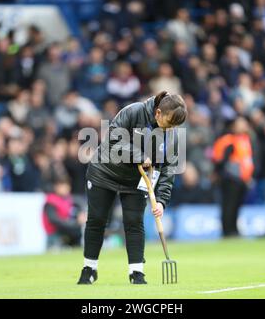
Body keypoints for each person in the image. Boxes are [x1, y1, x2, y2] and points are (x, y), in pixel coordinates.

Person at [77, 91, 187, 285]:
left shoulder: (171, 136)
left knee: (134, 222)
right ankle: (89, 269)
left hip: (137, 180)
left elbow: (168, 170)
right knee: (97, 220)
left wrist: (161, 200)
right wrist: (138, 155)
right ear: (158, 112)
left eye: (175, 126)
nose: (170, 129)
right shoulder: (134, 111)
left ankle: (137, 272)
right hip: (104, 171)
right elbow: (112, 139)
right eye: (169, 123)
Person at [212, 117, 254, 237]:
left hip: (242, 179)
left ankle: (234, 229)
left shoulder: (245, 140)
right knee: (229, 205)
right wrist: (221, 174)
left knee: (236, 206)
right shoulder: (229, 140)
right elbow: (220, 160)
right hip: (230, 179)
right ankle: (227, 231)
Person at [42, 177, 87, 249]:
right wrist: (74, 223)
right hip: (55, 235)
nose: (65, 188)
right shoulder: (51, 202)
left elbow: (78, 206)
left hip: (68, 233)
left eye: (67, 185)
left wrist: (80, 215)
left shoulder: (68, 199)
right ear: (56, 187)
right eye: (62, 186)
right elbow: (54, 220)